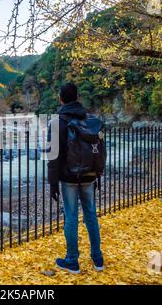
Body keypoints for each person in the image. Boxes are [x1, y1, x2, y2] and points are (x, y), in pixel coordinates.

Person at [48, 82, 104, 274]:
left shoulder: (57, 122)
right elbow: (99, 149)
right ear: (77, 97)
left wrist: (53, 183)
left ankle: (72, 260)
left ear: (60, 98)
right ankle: (98, 259)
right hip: (89, 175)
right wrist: (97, 173)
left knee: (71, 216)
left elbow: (53, 157)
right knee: (91, 215)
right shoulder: (90, 120)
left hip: (69, 177)